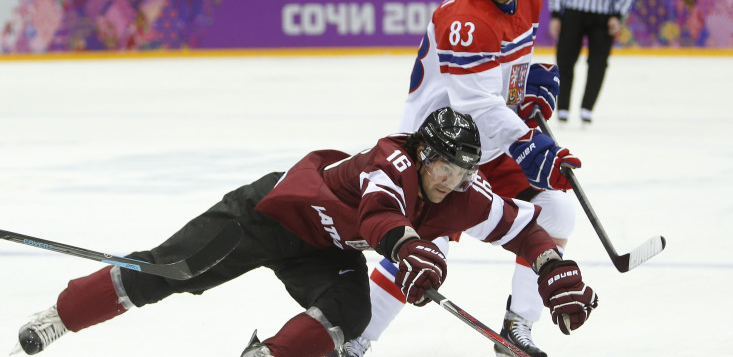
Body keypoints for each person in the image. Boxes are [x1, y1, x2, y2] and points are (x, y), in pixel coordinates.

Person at [12, 107, 598, 357]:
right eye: (444, 167)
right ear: (423, 153)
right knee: (170, 272)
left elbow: (524, 229)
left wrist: (554, 267)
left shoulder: (461, 193)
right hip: (272, 216)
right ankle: (60, 316)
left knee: (350, 312)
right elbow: (379, 216)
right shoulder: (392, 162)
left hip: (326, 248)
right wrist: (408, 247)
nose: (452, 181)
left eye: (464, 171)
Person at [334, 0, 586, 357]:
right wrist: (526, 141)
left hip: (482, 140)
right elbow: (476, 107)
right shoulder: (462, 21)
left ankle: (518, 327)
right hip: (437, 143)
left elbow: (498, 86)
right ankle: (355, 340)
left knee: (557, 211)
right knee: (426, 247)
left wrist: (524, 92)